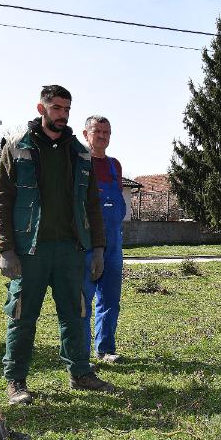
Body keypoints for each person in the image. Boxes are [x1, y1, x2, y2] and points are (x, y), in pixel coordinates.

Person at [0, 85, 116, 406]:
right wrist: (5, 250)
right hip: (29, 250)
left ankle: (81, 372)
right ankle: (16, 380)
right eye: (57, 108)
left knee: (75, 313)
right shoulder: (17, 146)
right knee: (22, 315)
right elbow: (1, 200)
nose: (63, 114)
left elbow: (92, 204)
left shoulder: (79, 152)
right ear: (41, 108)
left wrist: (98, 249)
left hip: (70, 250)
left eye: (67, 109)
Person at [80, 115, 129, 364]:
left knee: (110, 299)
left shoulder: (114, 166)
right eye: (97, 131)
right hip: (86, 242)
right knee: (82, 300)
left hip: (113, 244)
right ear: (85, 134)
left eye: (106, 132)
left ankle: (105, 349)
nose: (102, 136)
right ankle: (80, 355)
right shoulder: (79, 164)